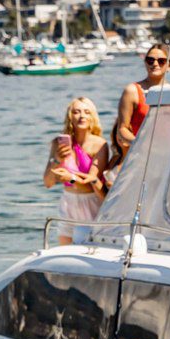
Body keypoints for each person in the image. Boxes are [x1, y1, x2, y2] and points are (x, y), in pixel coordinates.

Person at [44, 96, 109, 245]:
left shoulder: (100, 145)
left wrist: (70, 178)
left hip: (91, 204)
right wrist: (56, 160)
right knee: (65, 255)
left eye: (87, 112)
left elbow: (92, 182)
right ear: (70, 116)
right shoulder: (58, 143)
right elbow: (47, 182)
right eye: (77, 112)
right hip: (68, 203)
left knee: (91, 253)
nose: (82, 116)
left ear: (92, 117)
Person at [114, 46, 170, 159]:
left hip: (168, 154)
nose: (155, 64)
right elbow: (122, 129)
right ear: (145, 63)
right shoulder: (132, 91)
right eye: (150, 60)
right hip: (141, 156)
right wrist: (139, 144)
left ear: (169, 65)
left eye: (161, 61)